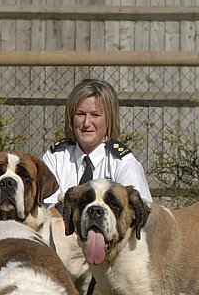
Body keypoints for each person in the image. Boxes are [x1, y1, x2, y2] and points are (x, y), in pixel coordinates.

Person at [42, 77, 153, 206]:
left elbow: (140, 215)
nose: (86, 123)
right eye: (80, 114)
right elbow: (47, 211)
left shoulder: (123, 164)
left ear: (109, 119)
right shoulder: (56, 157)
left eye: (95, 115)